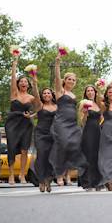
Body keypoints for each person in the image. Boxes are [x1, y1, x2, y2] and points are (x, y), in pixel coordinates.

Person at [50, 53, 87, 185]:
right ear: (65, 81)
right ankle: (59, 175)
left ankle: (67, 174)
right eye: (69, 79)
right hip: (61, 122)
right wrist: (58, 64)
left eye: (73, 80)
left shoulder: (73, 95)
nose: (71, 81)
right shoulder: (60, 92)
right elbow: (56, 79)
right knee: (63, 145)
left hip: (72, 122)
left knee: (73, 147)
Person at [5, 54, 34, 184]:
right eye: (21, 81)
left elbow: (40, 108)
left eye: (25, 82)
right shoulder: (14, 94)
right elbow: (12, 79)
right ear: (18, 83)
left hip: (26, 124)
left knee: (24, 149)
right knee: (11, 147)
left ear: (28, 85)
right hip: (13, 124)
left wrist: (32, 116)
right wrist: (14, 63)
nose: (23, 82)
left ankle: (22, 174)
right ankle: (11, 174)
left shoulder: (31, 97)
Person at [30, 74, 57, 193]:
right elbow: (35, 95)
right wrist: (35, 83)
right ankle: (41, 180)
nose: (46, 95)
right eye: (44, 93)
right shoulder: (40, 106)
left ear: (52, 95)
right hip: (41, 133)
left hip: (53, 134)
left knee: (51, 158)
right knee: (41, 156)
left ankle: (48, 180)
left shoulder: (57, 106)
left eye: (48, 93)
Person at [80, 86, 102, 190]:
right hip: (88, 131)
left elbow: (102, 118)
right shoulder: (83, 103)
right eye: (88, 91)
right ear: (85, 93)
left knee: (96, 157)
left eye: (92, 90)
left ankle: (96, 182)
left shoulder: (98, 104)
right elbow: (82, 122)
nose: (90, 92)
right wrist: (85, 113)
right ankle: (87, 183)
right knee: (88, 156)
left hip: (98, 131)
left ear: (95, 92)